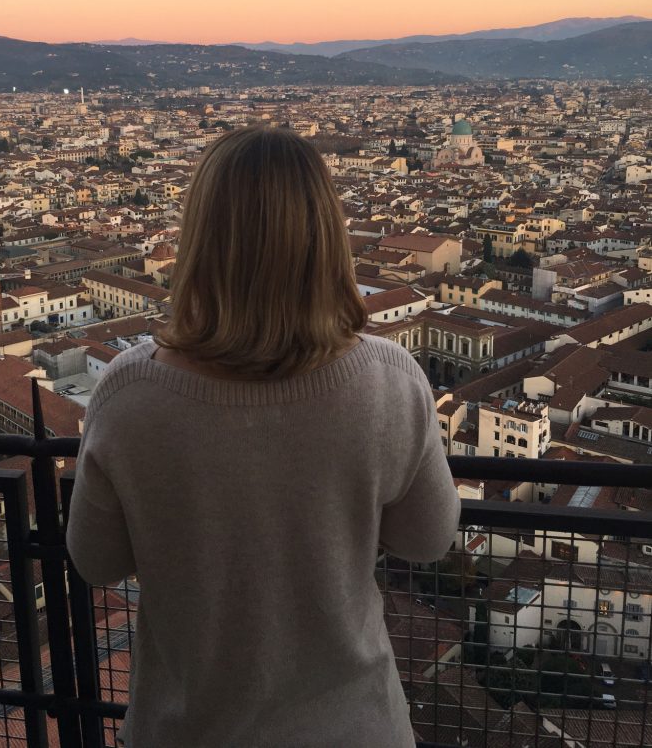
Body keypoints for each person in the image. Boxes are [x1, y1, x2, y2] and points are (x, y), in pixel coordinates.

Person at [66, 125, 461, 747]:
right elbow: (428, 539)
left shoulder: (129, 395)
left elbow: (95, 562)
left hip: (189, 730)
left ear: (200, 239)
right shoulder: (390, 381)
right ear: (326, 237)